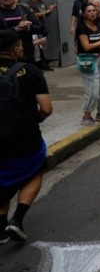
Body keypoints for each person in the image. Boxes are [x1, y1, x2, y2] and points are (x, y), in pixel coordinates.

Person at [0, 29, 52, 243]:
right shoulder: (30, 71)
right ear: (16, 48)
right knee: (35, 170)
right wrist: (34, 119)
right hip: (25, 138)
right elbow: (46, 108)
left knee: (3, 180)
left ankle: (1, 228)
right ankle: (17, 220)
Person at [75, 2, 100, 126]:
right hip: (88, 60)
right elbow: (86, 46)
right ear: (84, 14)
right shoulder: (81, 28)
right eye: (89, 11)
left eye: (94, 10)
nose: (92, 13)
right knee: (93, 91)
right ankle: (86, 117)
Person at [0, 0, 44, 65]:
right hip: (4, 55)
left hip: (26, 54)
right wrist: (15, 29)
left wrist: (28, 27)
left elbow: (39, 27)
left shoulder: (24, 9)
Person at [27, 0, 57, 70]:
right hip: (36, 29)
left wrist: (50, 10)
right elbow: (34, 15)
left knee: (43, 48)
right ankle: (38, 65)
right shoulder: (29, 4)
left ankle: (43, 64)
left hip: (44, 28)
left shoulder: (41, 3)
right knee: (37, 48)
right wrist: (47, 11)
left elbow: (44, 15)